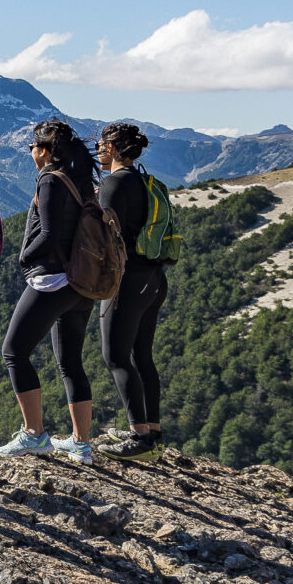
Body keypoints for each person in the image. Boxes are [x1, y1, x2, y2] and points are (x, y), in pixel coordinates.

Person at [0, 119, 99, 463]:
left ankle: (35, 434)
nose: (29, 153)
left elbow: (51, 233)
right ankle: (81, 443)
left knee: (13, 351)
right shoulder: (79, 180)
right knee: (70, 361)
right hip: (79, 285)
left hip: (51, 280)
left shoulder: (50, 179)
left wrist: (25, 254)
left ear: (43, 151)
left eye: (31, 147)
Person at [94, 122, 170, 460]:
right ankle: (152, 432)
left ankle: (138, 437)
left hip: (125, 280)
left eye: (100, 144)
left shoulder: (112, 184)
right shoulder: (144, 182)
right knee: (143, 356)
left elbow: (103, 238)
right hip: (153, 278)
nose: (97, 150)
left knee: (115, 356)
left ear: (112, 147)